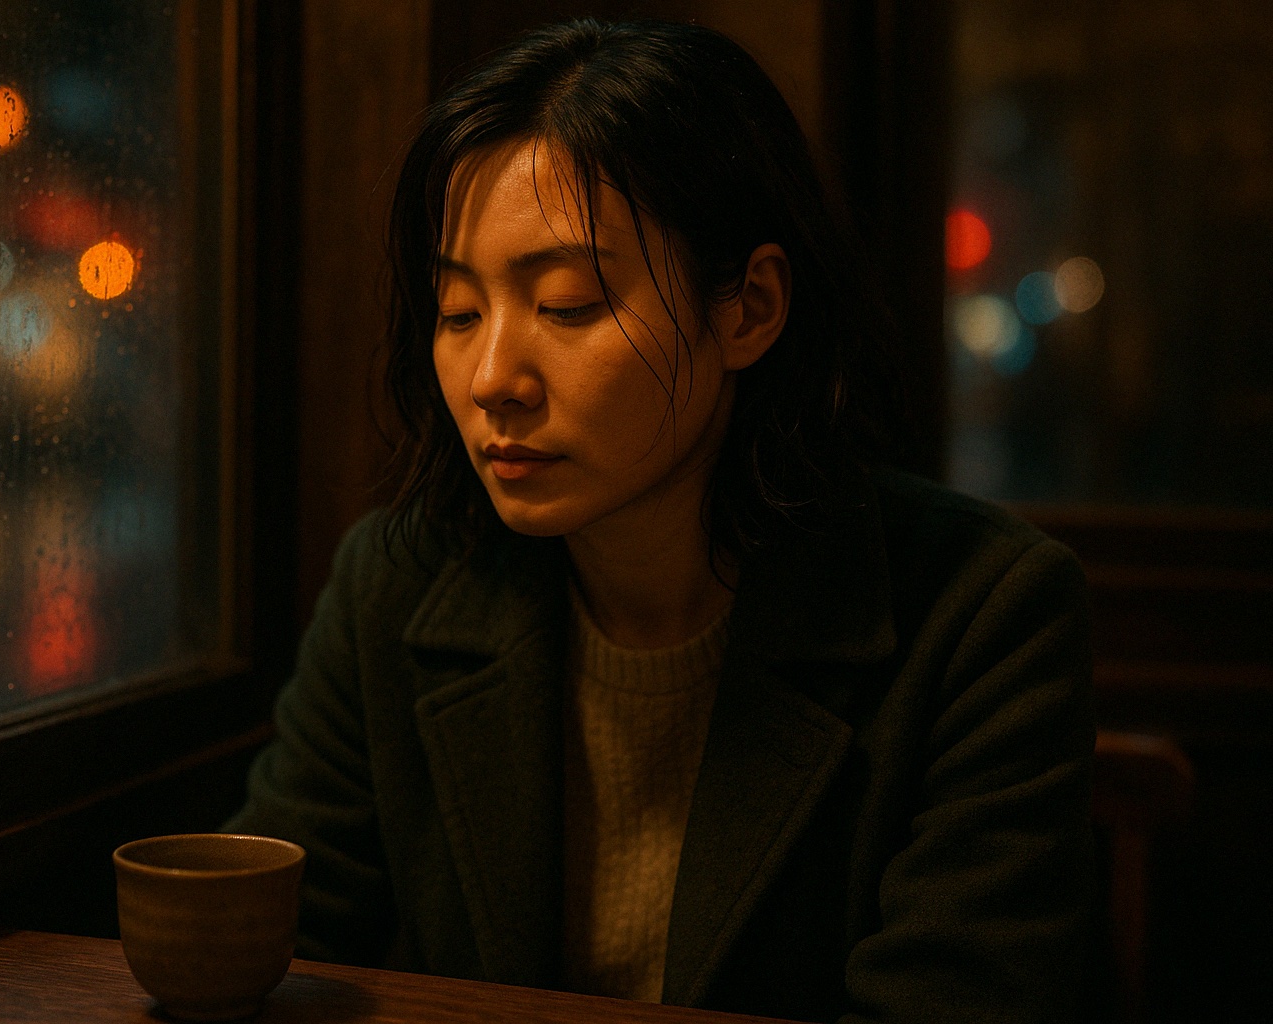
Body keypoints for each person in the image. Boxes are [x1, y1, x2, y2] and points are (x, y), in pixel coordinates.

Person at [224, 17, 1095, 1024]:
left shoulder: (981, 615)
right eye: (458, 313)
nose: (493, 377)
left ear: (749, 308)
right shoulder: (400, 582)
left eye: (567, 304)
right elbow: (267, 946)